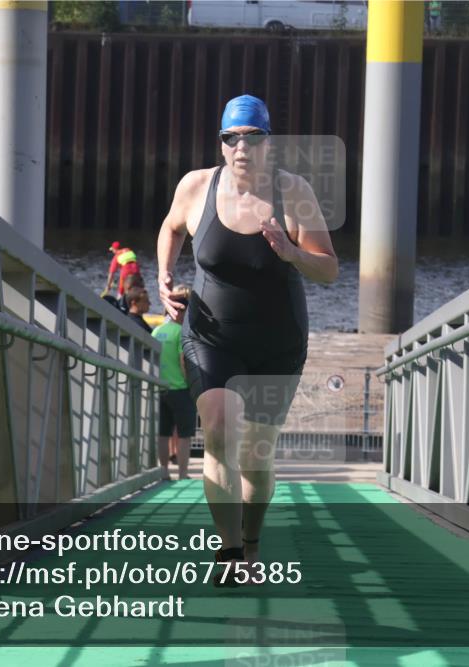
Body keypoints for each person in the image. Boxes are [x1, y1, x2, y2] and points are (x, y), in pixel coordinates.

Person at [156, 94, 338, 586]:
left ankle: (252, 543)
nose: (242, 148)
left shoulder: (293, 193)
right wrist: (164, 275)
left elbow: (329, 269)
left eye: (252, 138)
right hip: (211, 334)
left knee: (256, 454)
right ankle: (230, 551)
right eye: (232, 138)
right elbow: (171, 228)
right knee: (216, 430)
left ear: (268, 144)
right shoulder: (196, 187)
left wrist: (290, 252)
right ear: (220, 144)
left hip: (277, 341)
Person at [152, 286, 195, 481]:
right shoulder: (180, 332)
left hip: (160, 387)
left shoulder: (157, 331)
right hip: (180, 388)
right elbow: (182, 361)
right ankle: (183, 473)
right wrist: (191, 383)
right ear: (181, 311)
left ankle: (163, 472)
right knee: (185, 434)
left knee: (163, 432)